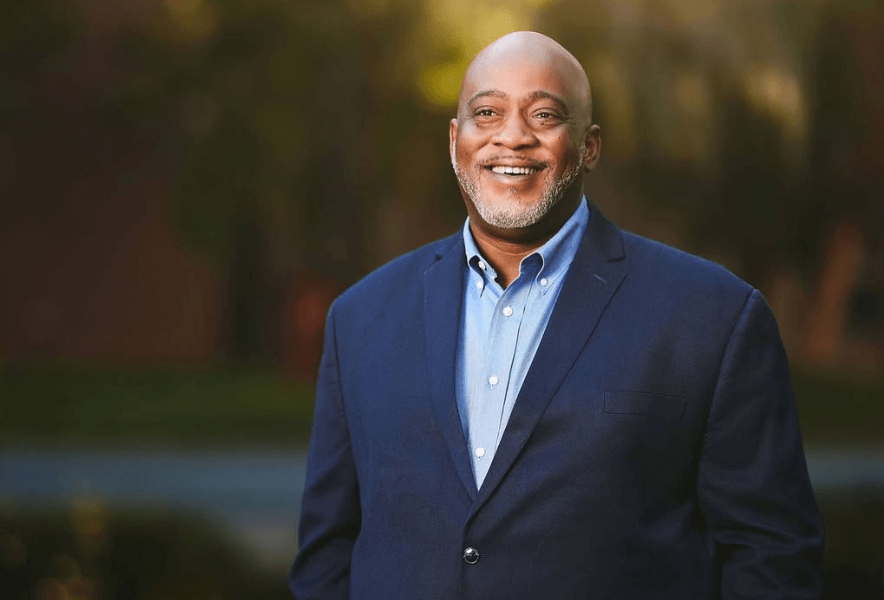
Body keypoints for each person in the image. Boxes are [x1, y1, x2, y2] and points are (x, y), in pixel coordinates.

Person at [290, 31, 825, 600]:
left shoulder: (713, 318)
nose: (513, 136)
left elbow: (773, 558)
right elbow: (327, 559)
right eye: (487, 112)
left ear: (589, 147)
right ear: (455, 141)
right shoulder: (360, 319)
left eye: (543, 115)